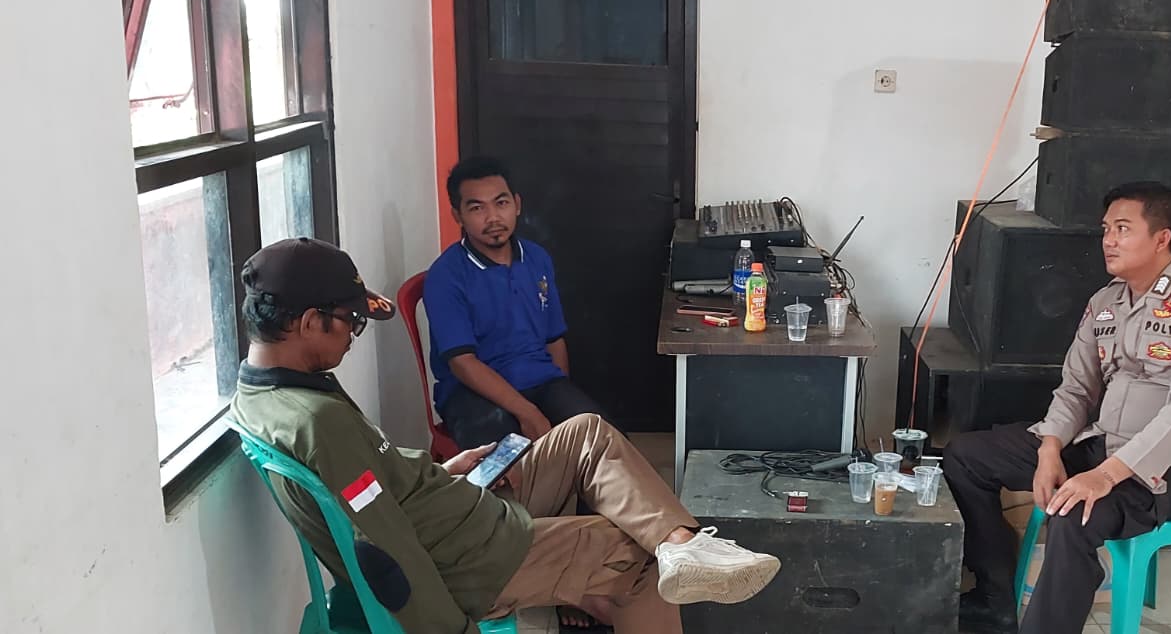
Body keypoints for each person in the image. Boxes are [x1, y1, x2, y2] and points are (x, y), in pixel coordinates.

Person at [230, 237, 781, 634]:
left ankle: (683, 544)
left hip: (457, 509)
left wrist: (441, 473)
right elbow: (383, 550)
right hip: (471, 557)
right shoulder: (317, 421)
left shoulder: (265, 393)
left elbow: (378, 488)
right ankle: (660, 555)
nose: (353, 336)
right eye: (350, 322)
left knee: (586, 433)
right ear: (309, 323)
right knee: (637, 558)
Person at [943, 182, 1171, 634]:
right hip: (1102, 444)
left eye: (1123, 229)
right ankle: (994, 597)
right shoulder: (1106, 302)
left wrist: (1104, 476)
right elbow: (1076, 388)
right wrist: (1049, 448)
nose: (1108, 240)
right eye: (1106, 229)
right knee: (967, 457)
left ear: (1161, 238)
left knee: (1074, 514)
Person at [423, 156, 613, 450]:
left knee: (603, 443)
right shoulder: (445, 276)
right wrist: (528, 412)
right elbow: (462, 363)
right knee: (509, 457)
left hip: (540, 380)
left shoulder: (537, 258)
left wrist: (560, 394)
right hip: (471, 393)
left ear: (517, 204)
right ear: (457, 216)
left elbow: (554, 340)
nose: (493, 218)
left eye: (501, 203)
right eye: (477, 208)